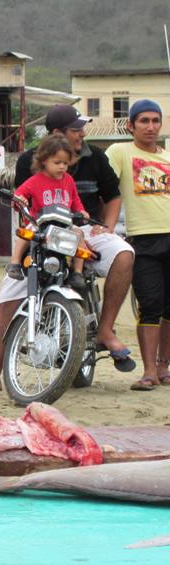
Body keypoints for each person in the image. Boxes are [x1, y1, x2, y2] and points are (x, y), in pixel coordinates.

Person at [0, 104, 135, 396]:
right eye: (75, 129)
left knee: (124, 254)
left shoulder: (95, 157)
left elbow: (112, 196)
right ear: (57, 134)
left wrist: (106, 227)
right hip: (42, 228)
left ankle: (106, 329)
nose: (82, 133)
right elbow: (22, 202)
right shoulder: (28, 162)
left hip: (81, 229)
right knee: (9, 295)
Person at [106, 99, 170, 391]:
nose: (151, 126)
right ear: (130, 125)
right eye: (143, 121)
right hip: (143, 239)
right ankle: (148, 372)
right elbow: (105, 188)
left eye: (155, 120)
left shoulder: (168, 158)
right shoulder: (120, 152)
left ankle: (164, 366)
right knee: (150, 304)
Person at [8, 133, 89, 292]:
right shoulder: (35, 180)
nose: (62, 167)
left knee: (79, 235)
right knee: (26, 233)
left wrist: (81, 211)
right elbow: (18, 196)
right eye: (57, 162)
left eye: (65, 163)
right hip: (40, 224)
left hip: (64, 225)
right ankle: (15, 263)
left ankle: (77, 272)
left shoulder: (69, 180)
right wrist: (20, 201)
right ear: (44, 160)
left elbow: (75, 200)